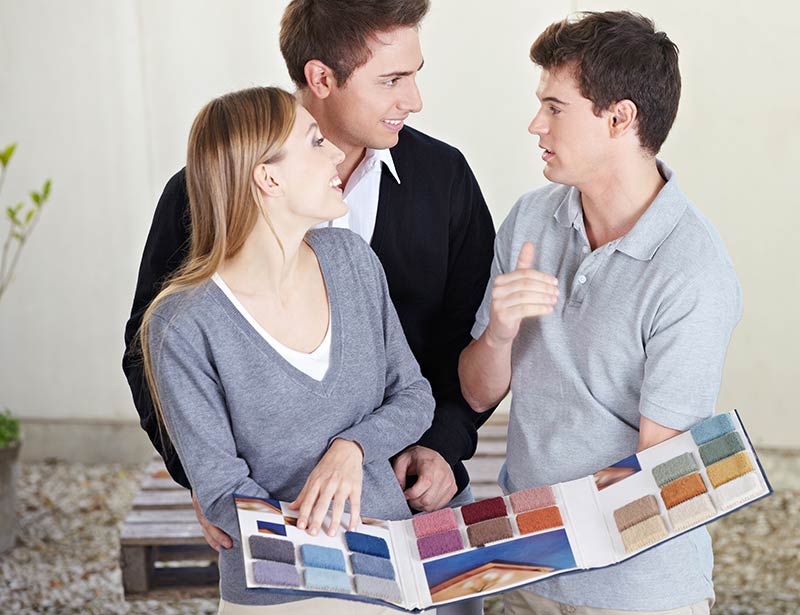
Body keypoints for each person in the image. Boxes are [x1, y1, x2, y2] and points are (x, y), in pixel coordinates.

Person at [123, 0, 494, 533]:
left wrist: (442, 445)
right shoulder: (201, 195)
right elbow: (153, 355)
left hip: (419, 490)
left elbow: (467, 334)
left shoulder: (444, 178)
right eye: (391, 80)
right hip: (277, 513)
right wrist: (208, 482)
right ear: (322, 77)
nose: (413, 100)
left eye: (414, 75)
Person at [459, 11, 741, 615]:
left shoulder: (692, 270)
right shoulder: (531, 220)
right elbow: (478, 393)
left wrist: (480, 540)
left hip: (635, 589)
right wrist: (501, 333)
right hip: (527, 572)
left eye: (555, 107)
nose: (535, 124)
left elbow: (660, 477)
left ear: (619, 117)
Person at [141, 86, 434, 612]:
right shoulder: (182, 324)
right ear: (268, 177)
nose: (338, 154)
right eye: (317, 142)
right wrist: (335, 566)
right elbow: (223, 491)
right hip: (282, 593)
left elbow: (413, 395)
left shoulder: (352, 261)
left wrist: (352, 448)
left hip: (395, 573)